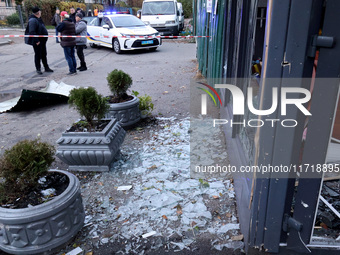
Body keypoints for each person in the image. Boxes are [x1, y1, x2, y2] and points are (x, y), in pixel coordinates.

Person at [26, 7, 53, 75]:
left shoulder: (38, 19)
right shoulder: (32, 20)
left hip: (42, 41)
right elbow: (32, 31)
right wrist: (36, 40)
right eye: (40, 12)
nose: (41, 13)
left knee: (44, 54)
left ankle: (46, 67)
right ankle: (38, 68)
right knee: (38, 55)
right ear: (38, 13)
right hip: (38, 42)